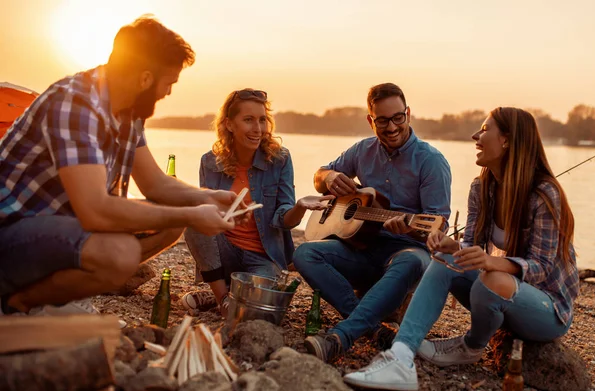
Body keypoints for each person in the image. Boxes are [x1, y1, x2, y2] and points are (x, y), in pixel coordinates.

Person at [0, 16, 243, 322]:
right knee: (119, 254)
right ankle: (17, 304)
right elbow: (95, 211)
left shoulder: (129, 112)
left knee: (173, 219)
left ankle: (54, 294)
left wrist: (207, 197)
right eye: (168, 82)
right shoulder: (75, 104)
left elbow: (155, 184)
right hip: (11, 232)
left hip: (60, 229)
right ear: (144, 78)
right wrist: (191, 214)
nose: (167, 92)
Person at [344, 107, 579, 391]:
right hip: (501, 290)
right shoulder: (482, 188)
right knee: (445, 258)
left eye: (484, 129)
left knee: (491, 279)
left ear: (506, 140)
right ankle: (401, 357)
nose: (475, 136)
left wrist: (491, 262)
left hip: (548, 309)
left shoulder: (544, 194)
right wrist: (452, 246)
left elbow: (541, 268)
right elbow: (471, 247)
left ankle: (471, 345)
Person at [293, 83, 452, 362]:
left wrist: (412, 229)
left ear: (408, 114)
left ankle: (343, 335)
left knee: (413, 261)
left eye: (397, 118)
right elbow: (320, 176)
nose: (391, 127)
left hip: (405, 253)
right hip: (361, 249)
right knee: (305, 253)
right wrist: (328, 178)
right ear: (371, 120)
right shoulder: (361, 151)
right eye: (382, 120)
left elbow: (437, 228)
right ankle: (373, 328)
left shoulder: (431, 162)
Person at [182, 89, 332, 316]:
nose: (258, 129)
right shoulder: (209, 162)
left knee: (261, 301)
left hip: (263, 257)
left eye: (262, 120)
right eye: (248, 120)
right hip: (225, 252)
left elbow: (284, 220)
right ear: (229, 124)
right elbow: (208, 215)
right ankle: (223, 298)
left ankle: (219, 296)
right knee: (194, 221)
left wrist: (299, 206)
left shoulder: (280, 159)